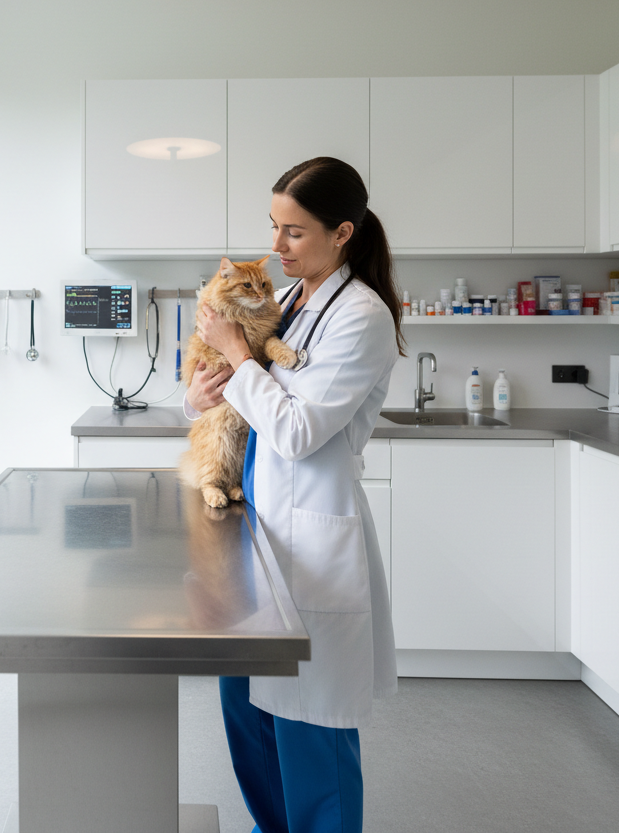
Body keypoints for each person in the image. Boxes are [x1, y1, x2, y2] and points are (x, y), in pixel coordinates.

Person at [185, 156, 405, 833]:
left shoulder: (360, 316)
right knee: (248, 718)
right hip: (254, 534)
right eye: (273, 228)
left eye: (295, 233)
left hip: (310, 540)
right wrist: (198, 397)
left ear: (342, 233)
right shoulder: (294, 303)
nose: (277, 247)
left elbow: (300, 428)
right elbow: (240, 399)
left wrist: (240, 356)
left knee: (311, 730)